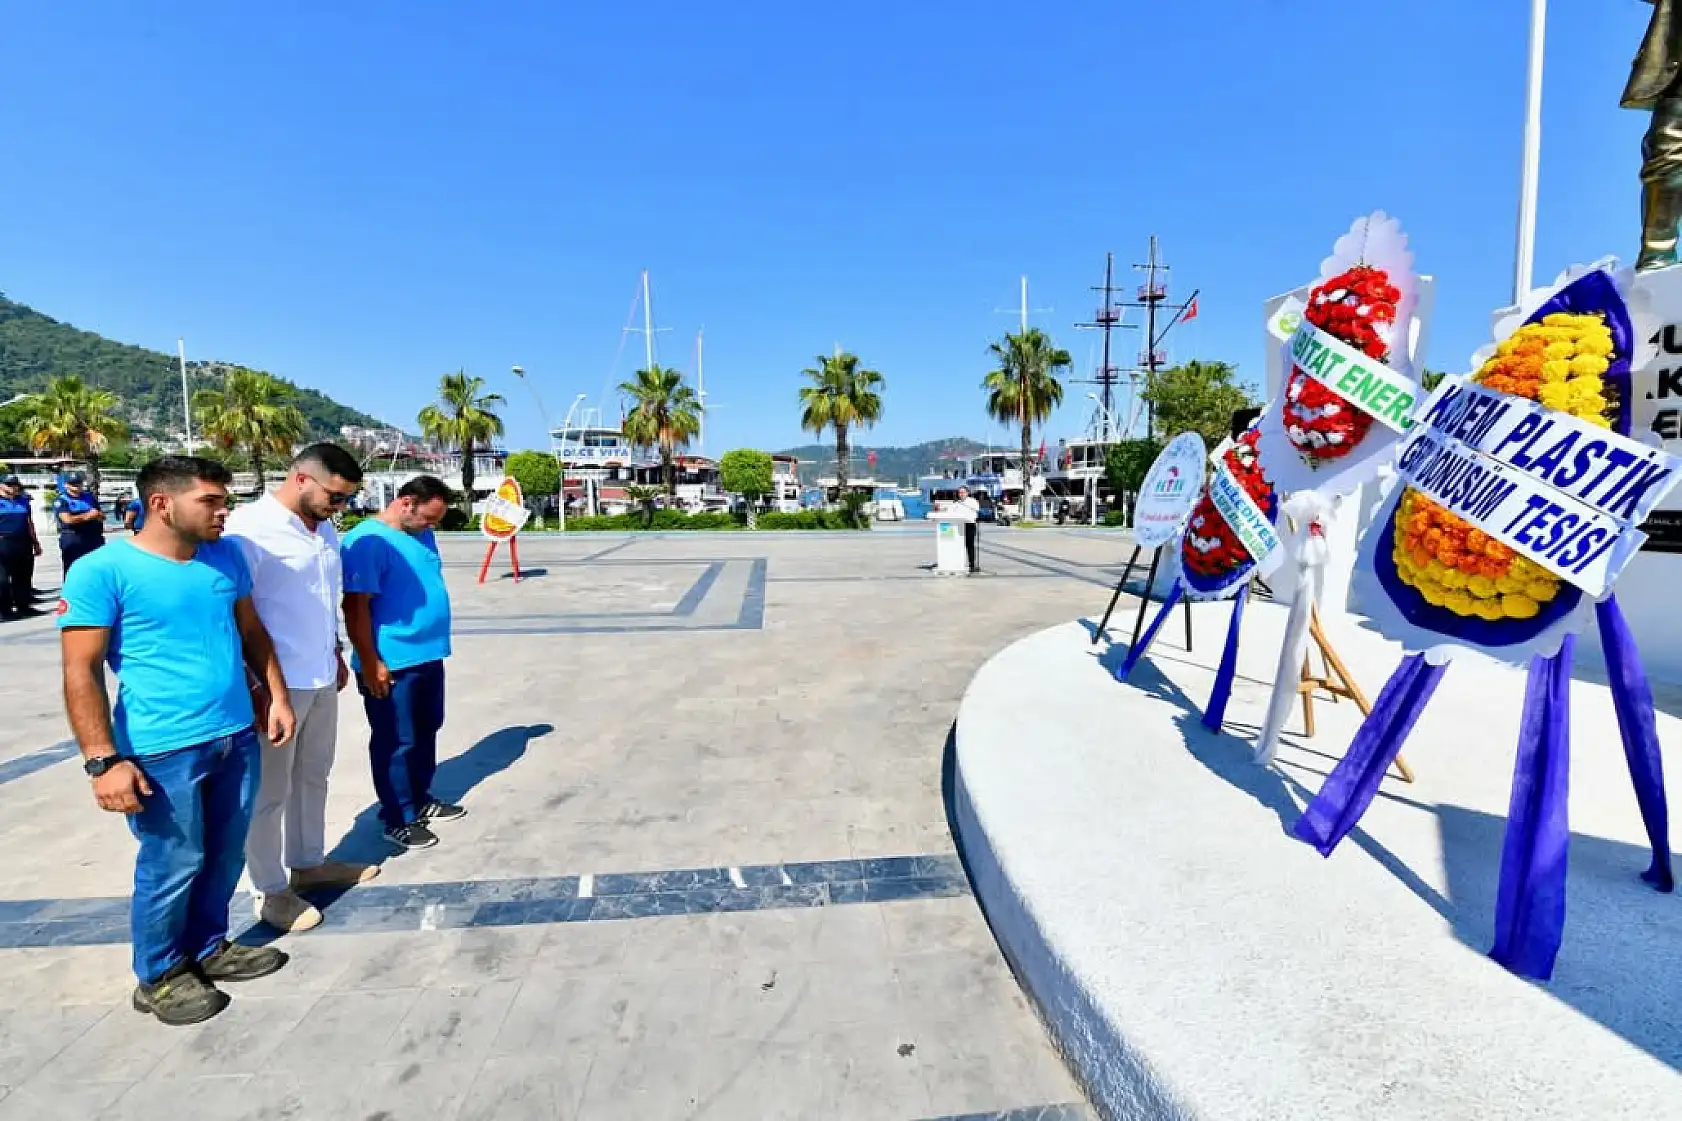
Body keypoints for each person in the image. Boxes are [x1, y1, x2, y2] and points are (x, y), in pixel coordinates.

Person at [59, 456, 297, 1027]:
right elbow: (80, 671)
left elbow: (251, 632)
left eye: (225, 501)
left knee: (223, 852)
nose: (225, 511)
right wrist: (102, 761)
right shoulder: (101, 571)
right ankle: (160, 974)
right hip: (162, 748)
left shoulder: (226, 556)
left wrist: (277, 695)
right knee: (173, 860)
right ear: (162, 503)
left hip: (235, 735)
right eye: (211, 501)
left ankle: (209, 945)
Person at [226, 444, 378, 934]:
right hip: (276, 684)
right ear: (300, 479)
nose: (340, 507)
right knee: (269, 792)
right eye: (334, 496)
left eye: (347, 500)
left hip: (319, 673)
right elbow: (236, 613)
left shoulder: (325, 528)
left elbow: (320, 599)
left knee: (314, 775)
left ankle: (308, 862)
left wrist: (334, 651)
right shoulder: (248, 530)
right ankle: (269, 889)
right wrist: (257, 686)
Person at [342, 475, 463, 851]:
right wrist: (370, 660)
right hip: (391, 660)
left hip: (428, 653)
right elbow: (355, 607)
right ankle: (398, 815)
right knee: (397, 739)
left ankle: (420, 795)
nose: (431, 527)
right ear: (406, 503)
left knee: (427, 729)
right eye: (427, 518)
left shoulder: (420, 534)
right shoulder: (367, 542)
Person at [0, 474, 43, 619]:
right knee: (3, 579)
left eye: (15, 484)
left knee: (23, 576)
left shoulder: (23, 501)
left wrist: (35, 542)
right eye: (9, 484)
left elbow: (29, 522)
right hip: (3, 541)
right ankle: (4, 611)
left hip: (23, 541)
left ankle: (23, 607)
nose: (13, 487)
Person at [54, 471, 106, 574]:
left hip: (93, 537)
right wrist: (88, 516)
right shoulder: (62, 500)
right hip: (73, 537)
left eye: (79, 483)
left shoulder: (89, 497)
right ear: (66, 485)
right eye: (73, 484)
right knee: (73, 569)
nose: (77, 486)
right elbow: (67, 519)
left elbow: (101, 515)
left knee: (96, 568)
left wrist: (97, 515)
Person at [956, 485, 981, 575]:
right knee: (959, 545)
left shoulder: (973, 501)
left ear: (967, 493)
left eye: (963, 492)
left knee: (970, 545)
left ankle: (972, 564)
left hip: (969, 525)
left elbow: (976, 511)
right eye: (959, 492)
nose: (961, 494)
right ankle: (958, 563)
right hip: (959, 525)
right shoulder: (957, 503)